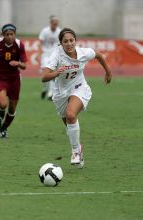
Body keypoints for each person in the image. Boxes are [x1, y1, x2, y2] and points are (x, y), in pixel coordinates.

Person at [42, 28, 112, 168]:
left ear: (75, 41)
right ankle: (78, 147)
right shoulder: (57, 55)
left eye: (71, 40)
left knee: (70, 115)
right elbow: (44, 77)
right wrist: (56, 72)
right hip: (60, 93)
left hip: (79, 88)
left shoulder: (83, 53)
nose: (69, 44)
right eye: (65, 41)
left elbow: (98, 55)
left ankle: (75, 152)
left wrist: (108, 72)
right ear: (61, 43)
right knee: (68, 124)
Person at [0, 24, 27, 138]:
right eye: (7, 34)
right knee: (3, 103)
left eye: (12, 34)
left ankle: (4, 129)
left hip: (14, 79)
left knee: (12, 108)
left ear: (14, 34)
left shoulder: (19, 45)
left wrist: (18, 63)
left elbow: (24, 66)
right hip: (0, 77)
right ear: (3, 35)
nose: (10, 36)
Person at [37, 15, 61, 100]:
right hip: (45, 55)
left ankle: (50, 94)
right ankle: (45, 89)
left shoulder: (59, 31)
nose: (55, 25)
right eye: (54, 23)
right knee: (45, 73)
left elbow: (61, 44)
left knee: (52, 73)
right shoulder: (44, 31)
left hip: (54, 55)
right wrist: (39, 54)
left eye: (56, 24)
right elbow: (40, 43)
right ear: (51, 23)